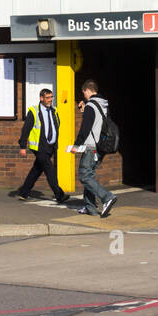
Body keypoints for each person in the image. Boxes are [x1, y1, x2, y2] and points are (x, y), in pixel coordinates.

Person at [67, 80, 116, 217]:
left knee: (84, 175)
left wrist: (76, 145)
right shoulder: (104, 104)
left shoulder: (90, 105)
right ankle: (90, 207)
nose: (84, 97)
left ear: (87, 90)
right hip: (100, 146)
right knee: (90, 175)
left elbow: (86, 128)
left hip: (90, 146)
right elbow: (98, 124)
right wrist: (84, 111)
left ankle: (107, 197)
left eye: (84, 94)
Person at [12, 88, 68, 204]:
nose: (50, 100)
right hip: (40, 147)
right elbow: (25, 130)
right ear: (41, 98)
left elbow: (57, 125)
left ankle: (23, 192)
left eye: (51, 97)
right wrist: (22, 146)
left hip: (51, 146)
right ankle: (59, 195)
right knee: (50, 170)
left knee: (36, 169)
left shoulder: (54, 111)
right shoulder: (34, 111)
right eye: (48, 98)